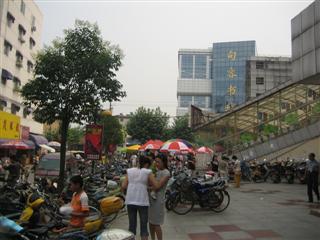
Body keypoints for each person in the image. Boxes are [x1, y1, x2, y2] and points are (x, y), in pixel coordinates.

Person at [122, 156, 160, 240]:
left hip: (130, 201)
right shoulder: (147, 172)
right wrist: (148, 187)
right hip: (142, 201)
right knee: (143, 226)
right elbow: (156, 186)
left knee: (131, 226)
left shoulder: (130, 171)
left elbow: (124, 185)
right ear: (146, 164)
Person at [149, 154, 170, 240]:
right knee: (150, 222)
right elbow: (152, 185)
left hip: (158, 201)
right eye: (155, 161)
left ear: (164, 162)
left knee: (156, 223)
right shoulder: (156, 171)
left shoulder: (166, 173)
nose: (156, 163)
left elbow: (157, 186)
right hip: (151, 199)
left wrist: (149, 185)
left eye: (158, 162)